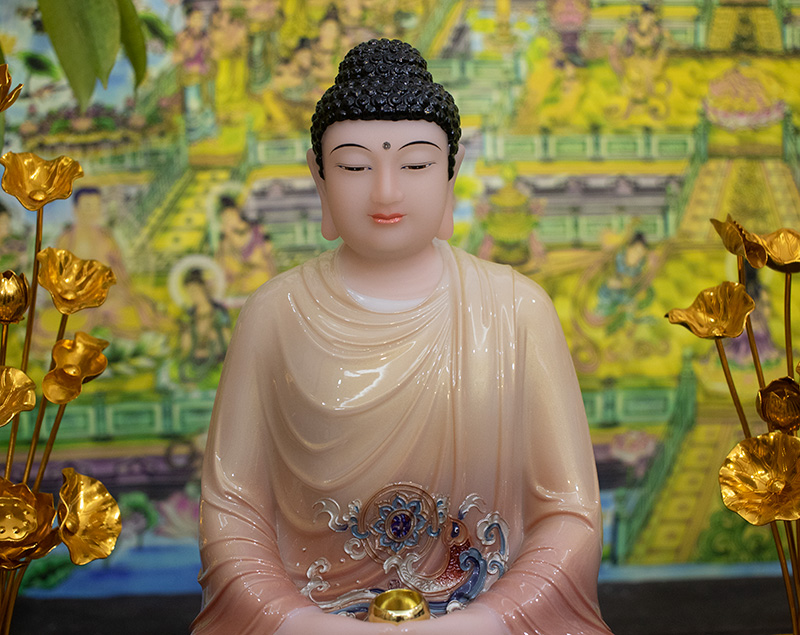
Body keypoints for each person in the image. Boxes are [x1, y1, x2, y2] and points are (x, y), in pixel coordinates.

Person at [193, 39, 613, 635]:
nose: (386, 191)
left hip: (480, 620)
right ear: (318, 175)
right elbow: (231, 514)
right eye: (354, 166)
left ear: (451, 171)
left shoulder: (517, 310)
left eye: (415, 165)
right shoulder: (274, 315)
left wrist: (483, 621)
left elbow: (570, 515)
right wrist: (302, 624)